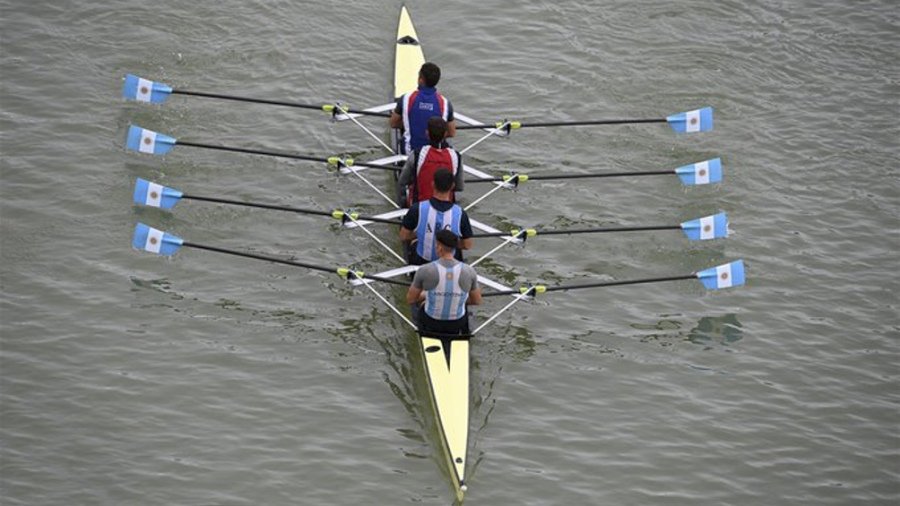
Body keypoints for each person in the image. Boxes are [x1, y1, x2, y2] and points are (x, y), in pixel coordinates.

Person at [406, 229, 482, 336]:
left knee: (422, 303)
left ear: (439, 247)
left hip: (431, 322)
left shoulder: (425, 270)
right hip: (457, 324)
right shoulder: (469, 271)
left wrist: (427, 295)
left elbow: (410, 299)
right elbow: (477, 301)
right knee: (463, 306)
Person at [400, 168, 473, 265]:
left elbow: (403, 236)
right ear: (452, 186)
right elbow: (467, 245)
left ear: (433, 184)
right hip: (448, 264)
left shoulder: (417, 208)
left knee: (413, 244)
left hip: (422, 262)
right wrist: (451, 243)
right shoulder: (460, 214)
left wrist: (420, 233)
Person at [390, 62, 457, 154]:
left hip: (410, 153)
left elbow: (393, 123)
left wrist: (411, 122)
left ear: (420, 80)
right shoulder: (445, 103)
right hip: (435, 154)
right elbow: (451, 132)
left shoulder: (406, 98)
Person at [397, 117, 464, 206]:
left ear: (427, 133)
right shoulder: (456, 156)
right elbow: (459, 187)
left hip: (418, 208)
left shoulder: (417, 154)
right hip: (447, 208)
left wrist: (403, 202)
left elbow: (402, 181)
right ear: (445, 134)